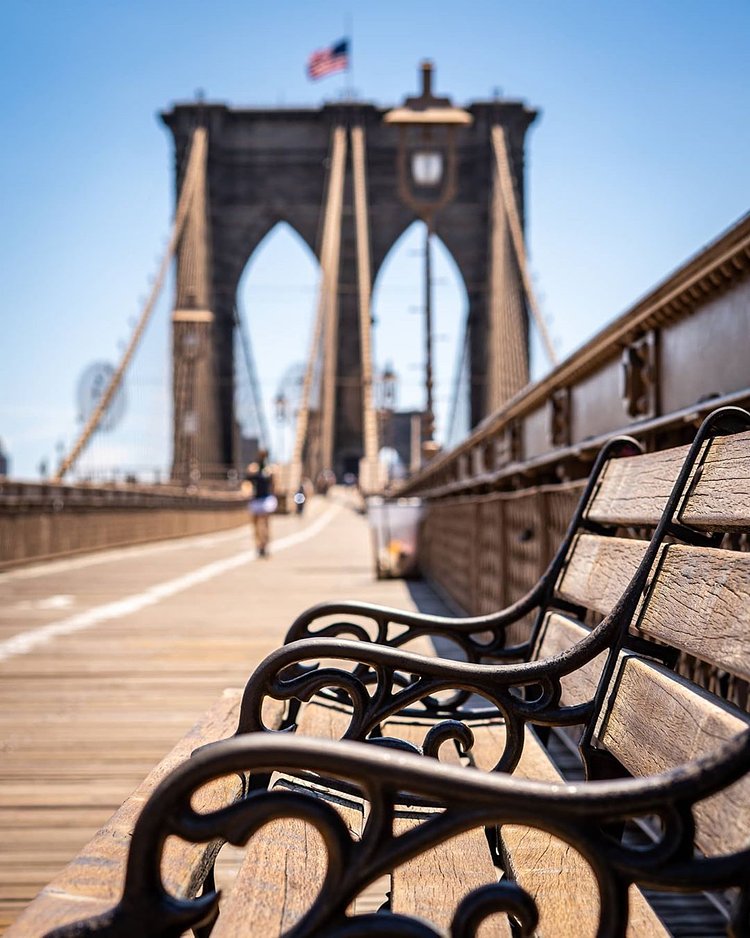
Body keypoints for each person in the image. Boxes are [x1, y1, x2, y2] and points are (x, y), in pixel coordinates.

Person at [243, 450, 277, 557]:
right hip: (259, 500)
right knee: (259, 525)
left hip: (263, 500)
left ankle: (262, 544)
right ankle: (260, 545)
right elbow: (247, 481)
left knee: (262, 524)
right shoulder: (255, 468)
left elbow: (274, 485)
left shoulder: (269, 470)